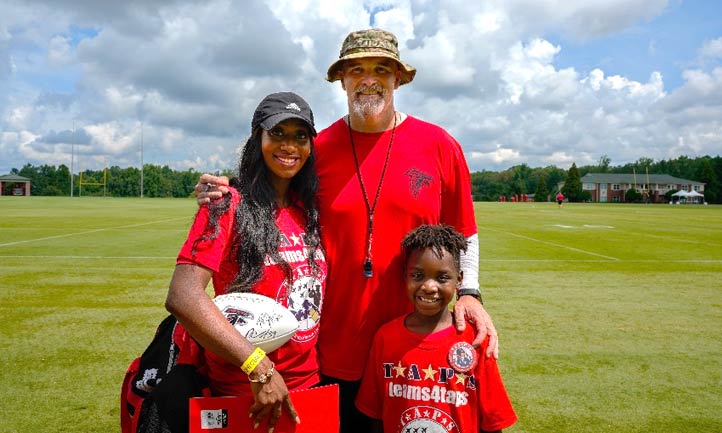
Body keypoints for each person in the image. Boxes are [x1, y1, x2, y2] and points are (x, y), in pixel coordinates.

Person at [195, 28, 498, 433]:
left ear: (398, 79)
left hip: (414, 340)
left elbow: (465, 229)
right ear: (342, 80)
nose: (368, 79)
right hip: (332, 347)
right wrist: (225, 188)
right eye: (356, 70)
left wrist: (471, 292)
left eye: (380, 69)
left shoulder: (440, 145)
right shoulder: (319, 148)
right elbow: (271, 187)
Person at [165, 92, 326, 432]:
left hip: (310, 389)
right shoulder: (226, 205)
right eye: (278, 133)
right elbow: (183, 296)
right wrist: (259, 367)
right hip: (244, 392)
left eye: (300, 136)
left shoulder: (310, 210)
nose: (289, 146)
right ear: (258, 139)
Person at [355, 224, 517, 433]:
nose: (429, 287)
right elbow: (375, 415)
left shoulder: (475, 339)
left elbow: (493, 422)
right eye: (418, 275)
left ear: (459, 279)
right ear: (405, 274)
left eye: (442, 278)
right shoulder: (385, 337)